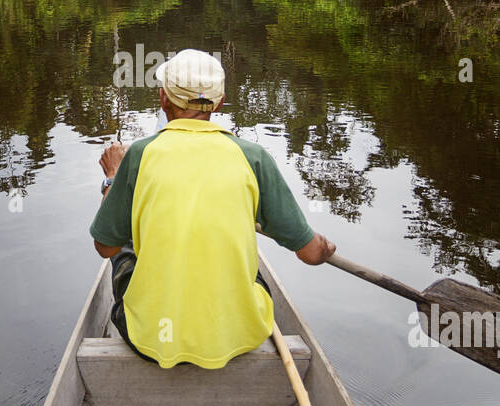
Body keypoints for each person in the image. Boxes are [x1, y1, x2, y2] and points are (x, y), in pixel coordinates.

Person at [89, 49, 336, 369]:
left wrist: (111, 180)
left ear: (163, 99)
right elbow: (312, 253)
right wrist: (326, 246)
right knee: (249, 262)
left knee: (123, 239)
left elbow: (104, 247)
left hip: (151, 338)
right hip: (241, 335)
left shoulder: (138, 155)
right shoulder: (252, 156)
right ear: (219, 103)